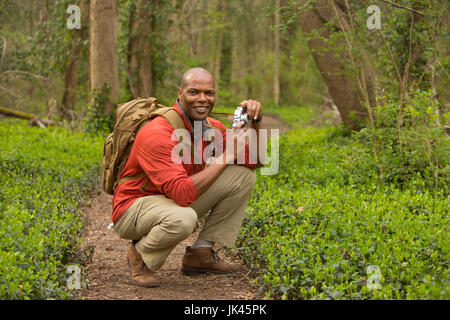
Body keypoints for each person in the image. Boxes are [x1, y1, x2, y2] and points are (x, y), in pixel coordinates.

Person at [111, 67, 264, 287]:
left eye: (209, 93)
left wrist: (256, 121)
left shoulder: (208, 127)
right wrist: (227, 155)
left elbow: (255, 160)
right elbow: (182, 194)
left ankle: (200, 254)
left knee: (242, 175)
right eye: (194, 92)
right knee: (183, 219)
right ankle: (140, 257)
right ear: (180, 93)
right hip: (133, 208)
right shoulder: (157, 132)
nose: (203, 99)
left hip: (169, 199)